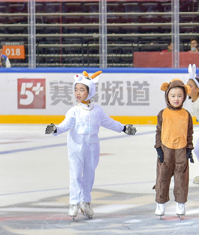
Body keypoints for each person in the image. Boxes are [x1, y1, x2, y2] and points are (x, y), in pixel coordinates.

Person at [45, 72, 137, 219]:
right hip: (75, 147)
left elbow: (109, 122)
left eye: (82, 89)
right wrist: (55, 129)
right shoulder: (74, 111)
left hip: (92, 147)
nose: (78, 93)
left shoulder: (98, 111)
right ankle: (74, 203)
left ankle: (85, 202)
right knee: (75, 175)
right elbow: (65, 125)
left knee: (89, 175)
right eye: (76, 89)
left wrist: (123, 128)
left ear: (90, 91)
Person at [154, 79, 194, 219]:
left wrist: (189, 149)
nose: (176, 99)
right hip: (166, 150)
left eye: (179, 96)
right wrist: (158, 148)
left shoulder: (186, 114)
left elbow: (189, 133)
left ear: (184, 97)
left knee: (181, 178)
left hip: (181, 150)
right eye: (173, 95)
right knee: (162, 177)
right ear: (167, 96)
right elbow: (158, 131)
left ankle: (180, 203)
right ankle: (160, 203)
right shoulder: (163, 113)